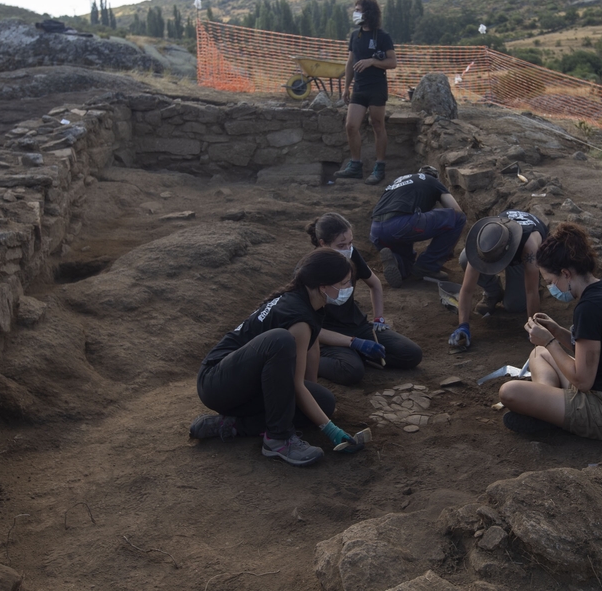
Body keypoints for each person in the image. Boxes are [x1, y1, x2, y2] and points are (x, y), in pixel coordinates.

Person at [188, 249, 360, 467]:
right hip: (217, 382)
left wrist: (311, 396)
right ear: (323, 286)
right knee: (280, 340)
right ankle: (278, 439)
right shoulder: (298, 317)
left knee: (323, 402)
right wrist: (330, 429)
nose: (348, 289)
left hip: (245, 381)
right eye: (344, 283)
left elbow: (312, 348)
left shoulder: (308, 302)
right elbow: (296, 385)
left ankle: (231, 425)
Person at [498, 223, 602, 440]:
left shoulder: (589, 308)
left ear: (565, 273)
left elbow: (583, 381)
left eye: (551, 282)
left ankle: (547, 413)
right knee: (538, 354)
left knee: (509, 392)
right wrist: (557, 331)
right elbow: (595, 351)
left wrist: (550, 341)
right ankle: (548, 410)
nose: (552, 288)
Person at [306, 213, 423, 385]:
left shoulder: (350, 255)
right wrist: (353, 343)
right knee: (352, 371)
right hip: (327, 336)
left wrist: (378, 318)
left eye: (350, 243)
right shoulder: (309, 270)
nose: (347, 248)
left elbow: (375, 284)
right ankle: (308, 361)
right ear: (323, 243)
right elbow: (309, 326)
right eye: (341, 245)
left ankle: (357, 355)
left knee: (411, 354)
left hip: (356, 326)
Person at [448, 210, 548, 350]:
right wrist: (463, 326)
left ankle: (537, 281)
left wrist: (534, 328)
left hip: (520, 257)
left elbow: (531, 291)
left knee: (514, 306)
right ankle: (492, 292)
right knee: (465, 259)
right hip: (504, 243)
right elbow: (467, 289)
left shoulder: (529, 246)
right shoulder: (485, 241)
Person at [334, 0, 398, 185]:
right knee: (351, 126)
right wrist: (346, 86)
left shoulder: (383, 36)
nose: (355, 13)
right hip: (359, 88)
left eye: (358, 10)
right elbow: (350, 62)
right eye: (355, 9)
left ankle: (380, 167)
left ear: (369, 13)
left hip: (377, 87)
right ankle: (355, 166)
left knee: (378, 125)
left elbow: (392, 62)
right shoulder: (355, 35)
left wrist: (372, 62)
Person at [370, 165, 466, 288]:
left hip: (377, 231)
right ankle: (428, 266)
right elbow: (457, 211)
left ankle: (397, 261)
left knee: (407, 264)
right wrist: (448, 248)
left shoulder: (398, 181)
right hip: (402, 224)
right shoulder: (433, 181)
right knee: (458, 219)